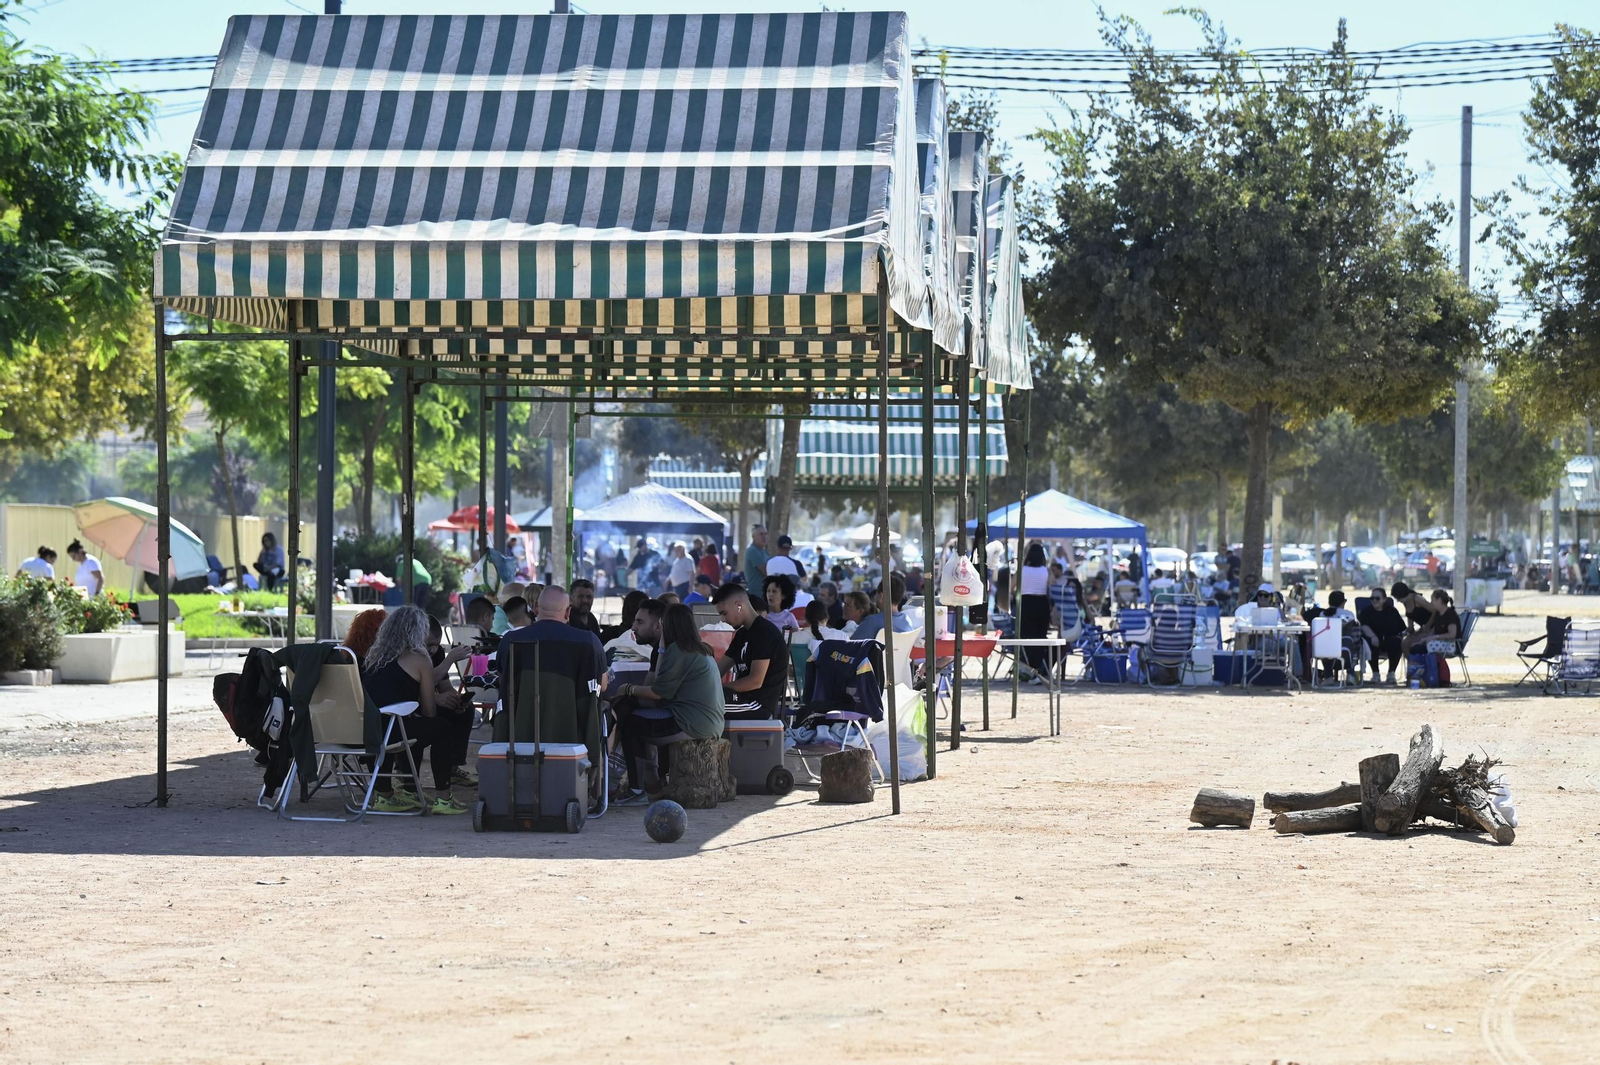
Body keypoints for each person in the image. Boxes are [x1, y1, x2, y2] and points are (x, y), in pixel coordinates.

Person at [611, 603, 727, 803]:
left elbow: (658, 692)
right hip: (705, 722)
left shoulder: (679, 651)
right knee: (632, 713)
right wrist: (662, 649)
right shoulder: (697, 650)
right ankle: (649, 785)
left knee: (629, 722)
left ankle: (638, 788)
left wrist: (627, 688)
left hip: (691, 723)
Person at [360, 606, 470, 815]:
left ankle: (385, 794)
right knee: (440, 727)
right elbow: (429, 711)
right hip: (392, 731)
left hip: (366, 730)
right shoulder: (419, 659)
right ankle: (444, 798)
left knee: (405, 722)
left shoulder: (374, 656)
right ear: (419, 632)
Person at [711, 582, 789, 718]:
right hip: (740, 699)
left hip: (757, 704)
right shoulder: (742, 634)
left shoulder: (765, 632)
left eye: (724, 613)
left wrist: (719, 689)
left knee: (703, 707)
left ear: (739, 606)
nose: (723, 620)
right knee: (698, 702)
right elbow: (717, 671)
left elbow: (755, 681)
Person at [1017, 541, 1052, 677]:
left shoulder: (1023, 569)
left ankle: (1030, 667)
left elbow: (1012, 585)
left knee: (1027, 636)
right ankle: (1038, 667)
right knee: (1040, 636)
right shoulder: (1045, 570)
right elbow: (1053, 584)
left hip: (1026, 603)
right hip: (1042, 603)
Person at [851, 572, 914, 643]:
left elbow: (851, 647)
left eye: (876, 594)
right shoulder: (907, 620)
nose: (875, 597)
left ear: (881, 596)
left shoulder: (871, 621)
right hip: (902, 654)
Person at [1404, 588, 1460, 656]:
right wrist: (1420, 641)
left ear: (1439, 600)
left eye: (1432, 600)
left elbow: (1452, 635)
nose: (1431, 603)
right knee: (1415, 647)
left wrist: (1435, 637)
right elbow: (1433, 631)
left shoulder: (1450, 614)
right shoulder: (1438, 614)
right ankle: (1422, 665)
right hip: (1440, 642)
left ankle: (1429, 666)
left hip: (1451, 644)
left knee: (1419, 649)